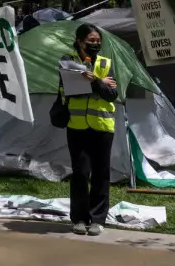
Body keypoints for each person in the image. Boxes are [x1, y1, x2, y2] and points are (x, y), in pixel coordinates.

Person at [60, 23, 117, 236]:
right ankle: (79, 219)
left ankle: (98, 219)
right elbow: (68, 91)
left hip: (102, 126)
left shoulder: (105, 63)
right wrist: (98, 83)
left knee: (101, 173)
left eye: (97, 41)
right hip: (76, 126)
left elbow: (112, 95)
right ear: (79, 41)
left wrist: (95, 81)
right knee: (80, 173)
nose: (95, 45)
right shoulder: (68, 62)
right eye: (90, 41)